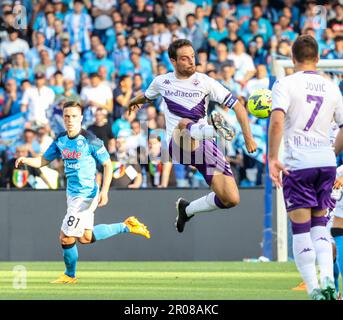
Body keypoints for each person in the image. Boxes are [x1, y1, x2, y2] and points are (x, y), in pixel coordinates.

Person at [128, 39, 256, 233]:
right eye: (185, 58)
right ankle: (214, 129)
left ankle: (187, 210)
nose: (191, 62)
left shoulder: (205, 82)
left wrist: (249, 138)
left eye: (192, 57)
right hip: (178, 143)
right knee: (184, 123)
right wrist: (132, 102)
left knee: (230, 199)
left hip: (205, 147)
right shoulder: (162, 81)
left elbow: (238, 106)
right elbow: (147, 96)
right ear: (173, 61)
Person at [15, 101, 150, 284]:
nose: (70, 120)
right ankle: (127, 226)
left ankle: (70, 275)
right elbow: (43, 161)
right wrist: (25, 160)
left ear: (81, 118)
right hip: (72, 195)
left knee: (65, 237)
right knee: (85, 238)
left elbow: (107, 164)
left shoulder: (90, 139)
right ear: (63, 118)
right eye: (67, 116)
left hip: (86, 195)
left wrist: (105, 191)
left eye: (74, 116)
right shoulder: (61, 139)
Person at [268, 35, 343, 300]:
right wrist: (331, 153)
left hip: (297, 165)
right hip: (325, 163)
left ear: (292, 58)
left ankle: (314, 289)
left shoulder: (285, 83)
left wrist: (272, 157)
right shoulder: (332, 87)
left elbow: (277, 122)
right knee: (320, 227)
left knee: (301, 230)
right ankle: (329, 285)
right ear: (318, 58)